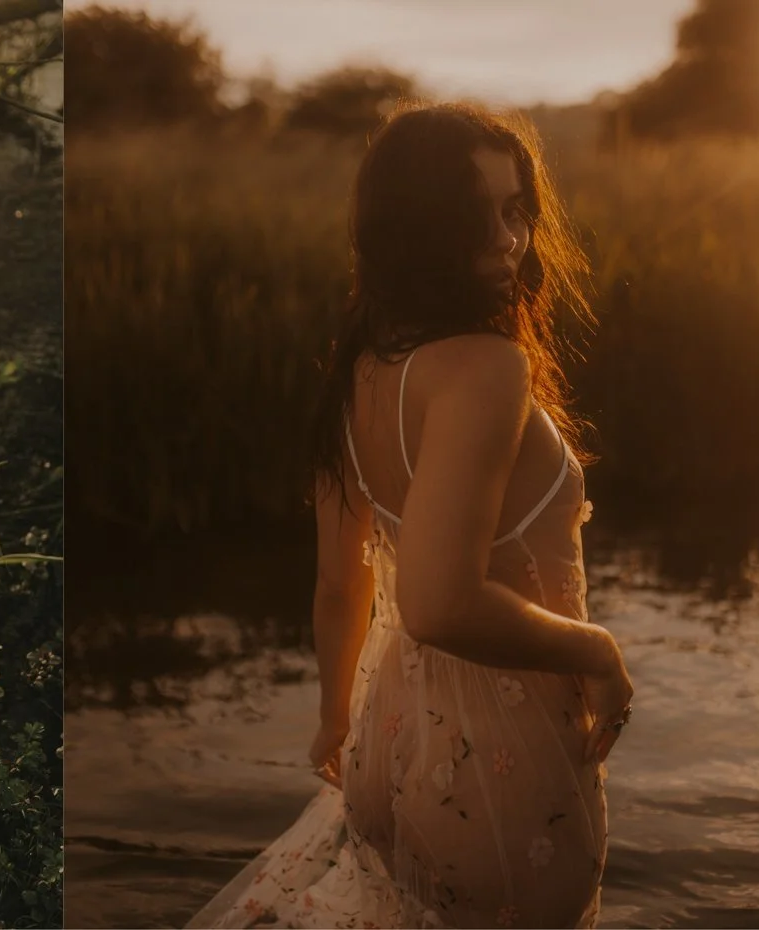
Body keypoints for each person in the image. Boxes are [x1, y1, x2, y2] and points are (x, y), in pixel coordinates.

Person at [187, 102, 633, 929]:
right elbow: (436, 603)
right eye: (476, 217)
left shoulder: (359, 372)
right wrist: (597, 650)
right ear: (416, 229)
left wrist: (335, 719)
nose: (508, 241)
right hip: (498, 761)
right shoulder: (486, 367)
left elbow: (338, 584)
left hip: (386, 744)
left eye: (515, 211)